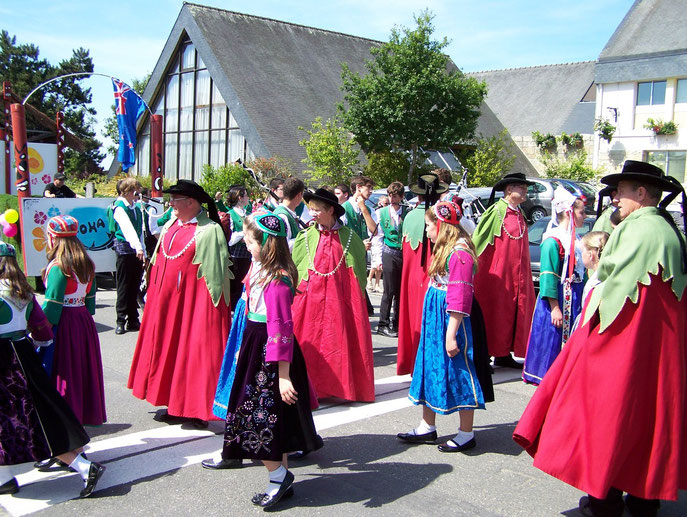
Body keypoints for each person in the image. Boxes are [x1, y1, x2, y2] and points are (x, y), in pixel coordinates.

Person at [513, 160, 687, 517]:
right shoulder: (667, 230)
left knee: (608, 417)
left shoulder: (638, 230)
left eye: (621, 191)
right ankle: (643, 499)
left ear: (641, 193)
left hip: (623, 349)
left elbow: (612, 295)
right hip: (658, 352)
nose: (615, 199)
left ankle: (603, 499)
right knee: (647, 421)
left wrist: (583, 347)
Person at [205, 214, 320, 509]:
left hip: (270, 356)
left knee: (258, 417)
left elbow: (281, 330)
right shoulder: (261, 268)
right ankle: (277, 478)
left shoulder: (278, 281)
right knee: (272, 418)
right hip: (256, 344)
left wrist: (283, 376)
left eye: (251, 241)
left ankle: (279, 476)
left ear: (267, 246)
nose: (245, 244)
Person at [0, 242, 106, 498]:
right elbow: (43, 330)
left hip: (4, 361)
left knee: (10, 421)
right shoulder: (23, 292)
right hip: (24, 353)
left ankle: (6, 477)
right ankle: (79, 465)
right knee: (40, 417)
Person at [128, 180, 232, 428]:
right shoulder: (172, 225)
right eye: (171, 199)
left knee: (191, 353)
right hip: (167, 305)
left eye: (175, 200)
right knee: (169, 351)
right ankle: (173, 403)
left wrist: (207, 313)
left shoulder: (209, 231)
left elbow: (215, 278)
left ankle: (195, 409)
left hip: (193, 306)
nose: (171, 204)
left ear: (191, 203)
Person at [397, 202, 485, 452]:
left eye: (428, 226)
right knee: (429, 364)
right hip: (436, 317)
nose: (426, 231)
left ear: (442, 226)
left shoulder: (460, 254)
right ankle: (427, 425)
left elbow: (460, 298)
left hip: (451, 321)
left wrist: (451, 335)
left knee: (458, 370)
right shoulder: (445, 249)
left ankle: (466, 433)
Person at [291, 188, 374, 402]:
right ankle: (307, 385)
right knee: (308, 340)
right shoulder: (305, 236)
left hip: (340, 303)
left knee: (337, 344)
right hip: (310, 302)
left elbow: (358, 277)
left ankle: (340, 386)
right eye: (311, 209)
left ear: (331, 210)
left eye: (317, 210)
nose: (312, 214)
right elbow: (298, 268)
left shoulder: (350, 238)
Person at [41, 215, 106, 426]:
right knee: (82, 369)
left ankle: (67, 417)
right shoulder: (87, 264)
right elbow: (90, 302)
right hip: (83, 320)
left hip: (65, 322)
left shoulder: (58, 267)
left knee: (65, 371)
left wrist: (40, 331)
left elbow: (52, 306)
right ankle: (84, 412)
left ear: (54, 239)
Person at [522, 188, 587, 385]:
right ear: (569, 212)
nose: (584, 216)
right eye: (582, 212)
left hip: (572, 296)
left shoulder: (575, 240)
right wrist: (555, 307)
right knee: (552, 337)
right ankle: (547, 377)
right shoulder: (553, 241)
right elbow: (548, 277)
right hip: (557, 299)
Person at [471, 172, 536, 368]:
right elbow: (478, 241)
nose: (525, 191)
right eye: (521, 187)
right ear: (509, 190)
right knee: (496, 313)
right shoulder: (496, 212)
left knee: (513, 313)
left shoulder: (519, 213)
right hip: (498, 278)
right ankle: (486, 355)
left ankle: (503, 353)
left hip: (517, 277)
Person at [396, 173, 446, 375]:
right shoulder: (438, 218)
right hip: (432, 277)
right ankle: (429, 363)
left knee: (412, 317)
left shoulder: (408, 216)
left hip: (410, 278)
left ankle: (413, 362)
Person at [108, 177, 145, 335]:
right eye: (135, 190)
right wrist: (138, 247)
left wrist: (142, 248)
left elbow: (139, 230)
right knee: (123, 285)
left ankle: (133, 319)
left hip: (136, 249)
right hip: (125, 247)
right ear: (129, 191)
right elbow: (127, 228)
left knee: (134, 284)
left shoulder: (135, 207)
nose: (137, 193)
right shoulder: (119, 207)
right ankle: (121, 319)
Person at [376, 181, 408, 338]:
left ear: (401, 196)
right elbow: (378, 237)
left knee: (400, 292)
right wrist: (378, 259)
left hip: (403, 254)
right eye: (390, 195)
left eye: (395, 195)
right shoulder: (381, 213)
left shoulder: (407, 212)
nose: (392, 198)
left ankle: (397, 323)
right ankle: (382, 323)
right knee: (388, 291)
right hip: (389, 252)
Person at [226, 185, 252, 310]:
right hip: (236, 257)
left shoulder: (247, 213)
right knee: (236, 286)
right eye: (246, 195)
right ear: (240, 198)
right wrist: (244, 232)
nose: (248, 198)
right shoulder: (230, 214)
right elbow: (229, 240)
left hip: (248, 255)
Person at [273, 177, 305, 250]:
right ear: (299, 195)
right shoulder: (283, 216)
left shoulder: (287, 213)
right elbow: (284, 244)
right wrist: (305, 238)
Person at [367, 196, 388, 293]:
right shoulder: (376, 213)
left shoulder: (387, 213)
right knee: (375, 263)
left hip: (382, 240)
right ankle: (370, 280)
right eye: (385, 203)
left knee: (380, 264)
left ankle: (377, 284)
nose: (386, 205)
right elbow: (372, 228)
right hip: (376, 240)